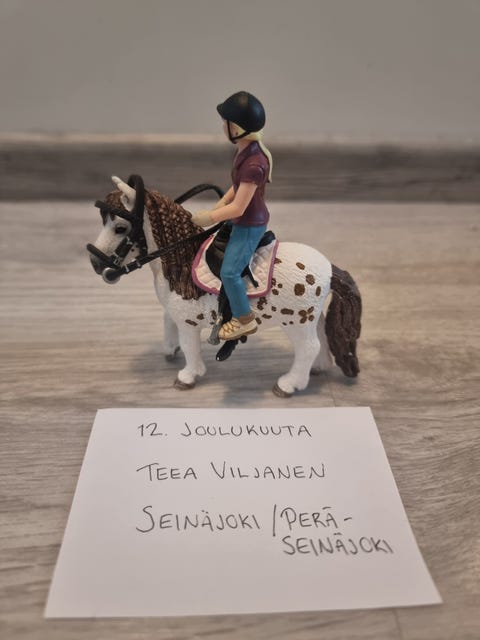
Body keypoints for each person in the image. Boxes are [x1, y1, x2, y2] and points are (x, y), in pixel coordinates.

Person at [192, 91, 273, 340]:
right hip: (243, 218)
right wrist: (222, 202)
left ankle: (244, 319)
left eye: (225, 122)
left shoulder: (253, 164)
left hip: (249, 225)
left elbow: (239, 208)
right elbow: (237, 188)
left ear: (236, 128)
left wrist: (210, 217)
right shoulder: (246, 152)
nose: (222, 126)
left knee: (229, 272)